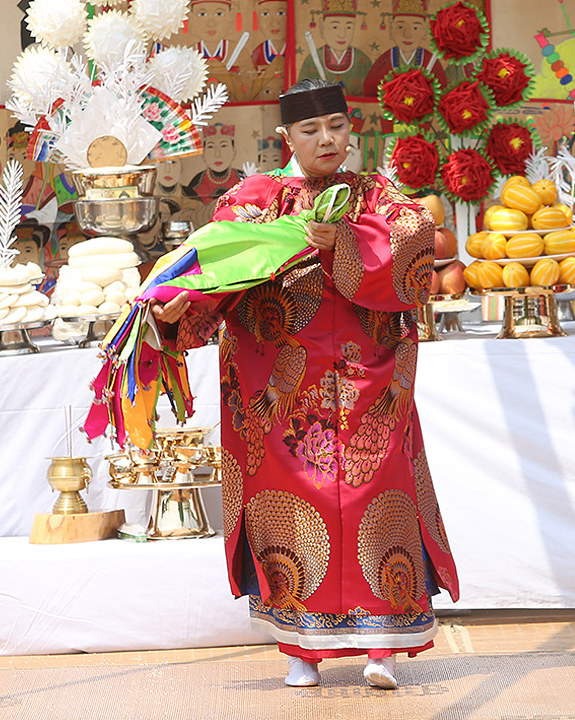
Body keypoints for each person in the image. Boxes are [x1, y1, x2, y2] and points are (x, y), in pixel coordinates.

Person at [150, 79, 459, 689]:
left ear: (351, 129)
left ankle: (380, 649)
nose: (327, 140)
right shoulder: (255, 199)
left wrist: (348, 239)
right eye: (311, 130)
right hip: (283, 395)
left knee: (379, 500)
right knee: (290, 513)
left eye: (337, 127)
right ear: (285, 137)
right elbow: (216, 264)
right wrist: (176, 305)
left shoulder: (378, 196)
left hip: (370, 385)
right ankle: (300, 649)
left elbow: (416, 251)